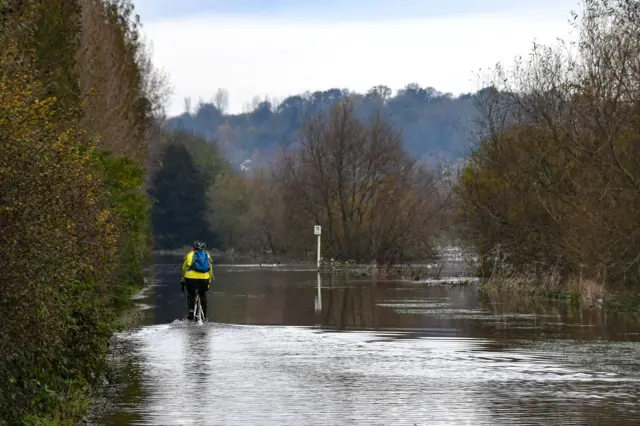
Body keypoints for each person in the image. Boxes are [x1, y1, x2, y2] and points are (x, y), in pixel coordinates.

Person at [181, 240, 214, 321]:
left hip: (191, 279)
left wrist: (183, 279)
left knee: (191, 295)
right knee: (203, 296)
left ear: (193, 248)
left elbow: (183, 268)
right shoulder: (207, 255)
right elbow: (210, 270)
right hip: (204, 279)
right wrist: (209, 282)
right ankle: (205, 316)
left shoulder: (189, 255)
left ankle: (191, 313)